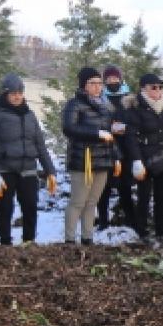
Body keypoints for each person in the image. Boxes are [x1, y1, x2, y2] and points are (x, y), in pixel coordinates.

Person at [0, 73, 56, 245]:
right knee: (5, 207)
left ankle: (29, 241)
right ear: (5, 93)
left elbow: (40, 145)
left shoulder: (29, 115)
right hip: (4, 169)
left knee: (30, 206)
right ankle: (5, 242)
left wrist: (50, 170)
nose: (17, 96)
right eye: (13, 92)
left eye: (20, 92)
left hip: (28, 167)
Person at [62, 67, 122, 245]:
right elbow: (69, 128)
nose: (97, 87)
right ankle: (69, 240)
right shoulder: (74, 104)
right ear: (84, 85)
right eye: (92, 83)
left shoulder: (104, 106)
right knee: (78, 202)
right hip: (83, 160)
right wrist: (96, 134)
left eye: (99, 83)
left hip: (103, 159)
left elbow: (111, 133)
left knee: (92, 202)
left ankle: (87, 238)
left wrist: (116, 156)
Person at [122, 72, 163, 242]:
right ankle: (141, 231)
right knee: (144, 198)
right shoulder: (135, 108)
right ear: (143, 89)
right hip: (144, 161)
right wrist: (136, 160)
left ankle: (161, 232)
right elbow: (131, 136)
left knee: (162, 198)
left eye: (160, 87)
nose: (158, 90)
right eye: (153, 87)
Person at [97, 65, 134, 229]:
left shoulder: (129, 99)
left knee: (125, 187)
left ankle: (130, 220)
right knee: (103, 188)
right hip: (104, 148)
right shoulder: (99, 98)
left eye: (115, 78)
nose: (113, 81)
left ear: (121, 79)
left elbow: (134, 122)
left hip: (126, 149)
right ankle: (103, 221)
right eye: (109, 79)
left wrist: (125, 128)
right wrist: (111, 128)